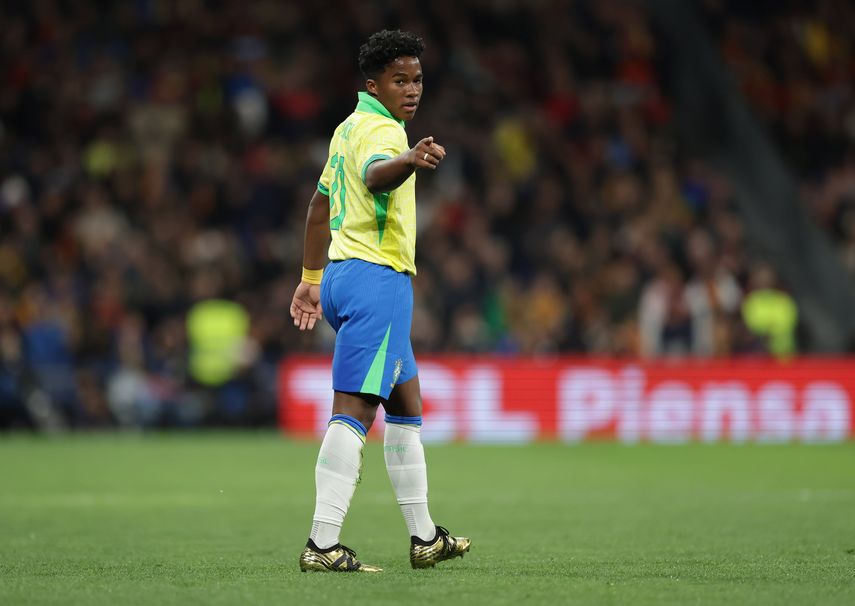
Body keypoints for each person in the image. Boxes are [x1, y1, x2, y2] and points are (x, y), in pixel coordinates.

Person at [290, 29, 470, 573]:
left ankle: (424, 538)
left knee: (407, 406)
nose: (412, 90)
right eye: (400, 80)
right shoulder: (380, 131)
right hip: (378, 279)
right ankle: (322, 545)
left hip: (343, 276)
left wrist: (309, 278)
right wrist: (409, 159)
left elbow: (320, 209)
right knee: (354, 411)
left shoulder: (344, 130)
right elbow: (375, 177)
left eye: (417, 80)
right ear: (374, 84)